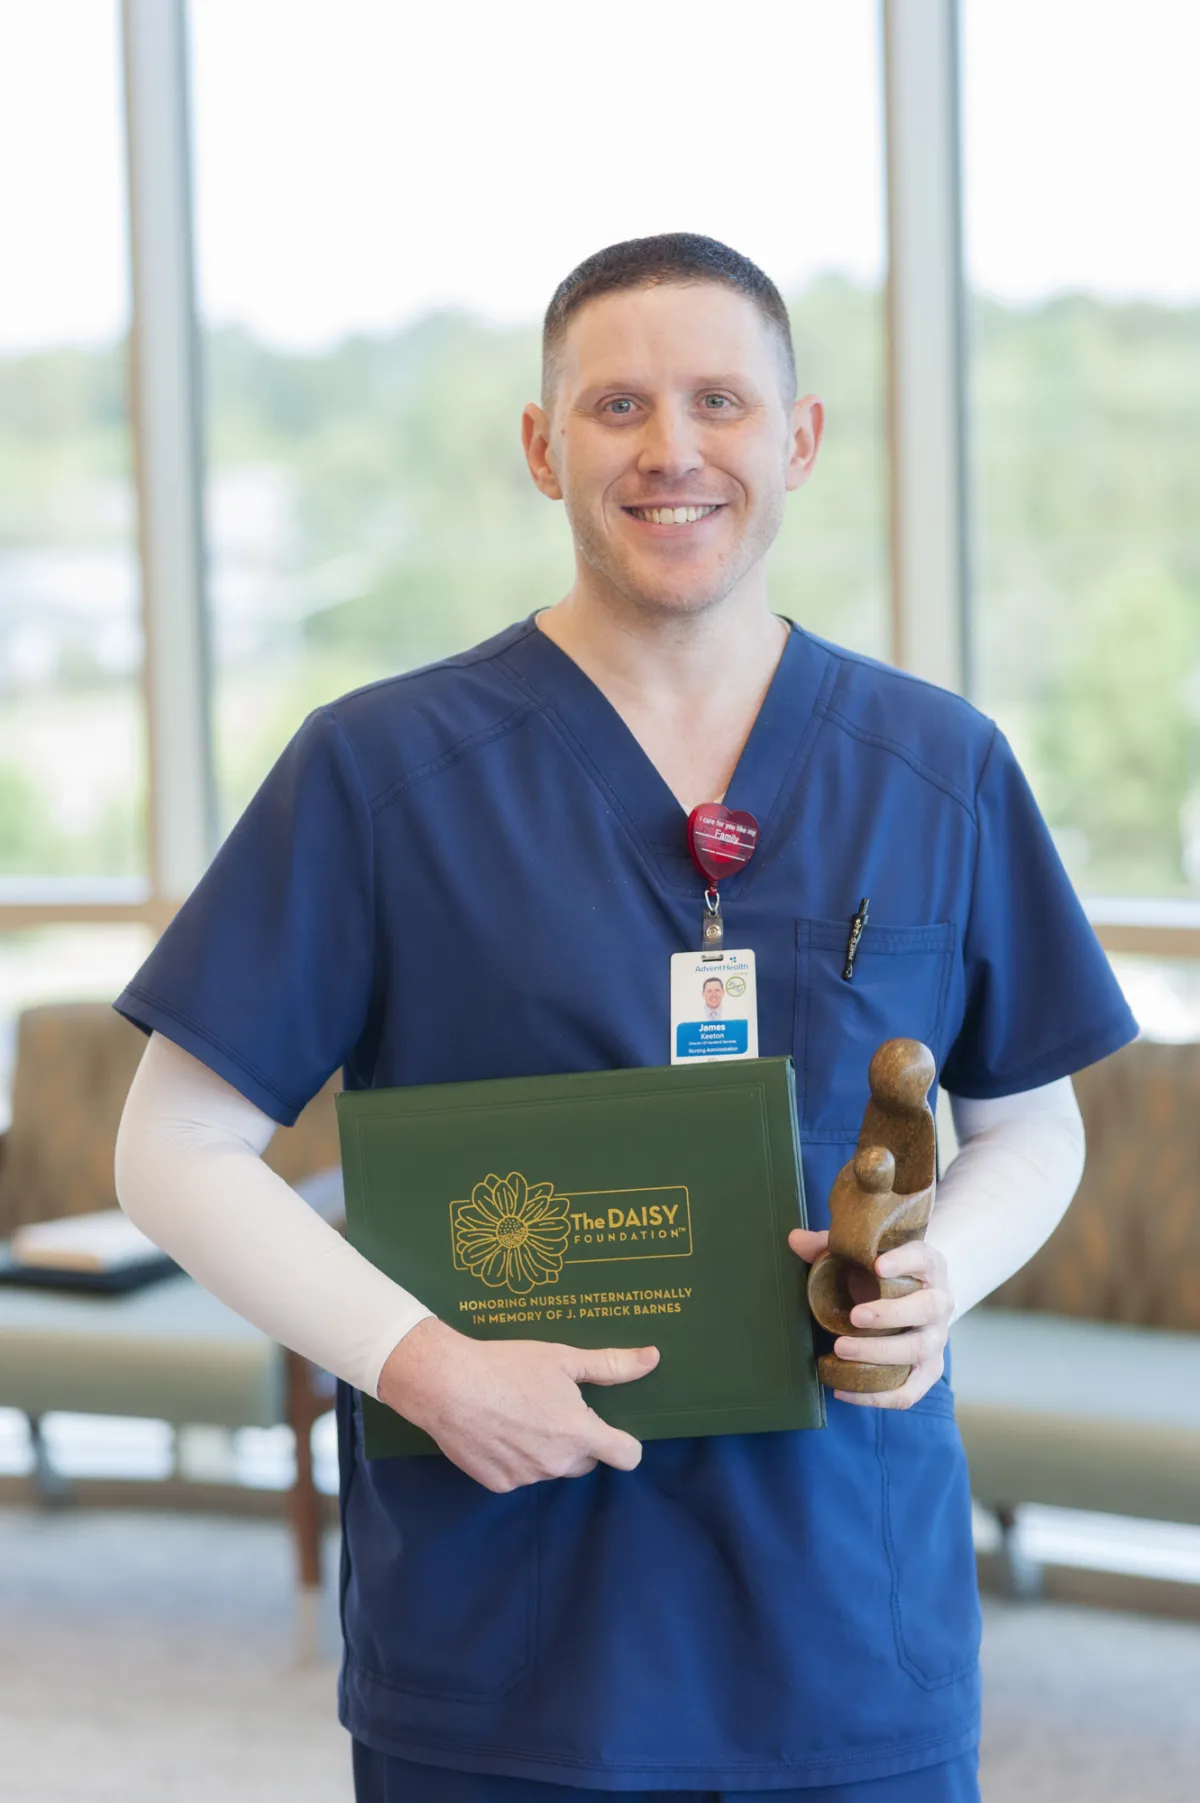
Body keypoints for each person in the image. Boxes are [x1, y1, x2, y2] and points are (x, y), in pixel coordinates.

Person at [114, 233, 1137, 1802]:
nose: (673, 450)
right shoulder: (381, 774)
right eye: (616, 407)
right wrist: (418, 1361)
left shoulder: (940, 766)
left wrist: (946, 1280)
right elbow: (172, 1144)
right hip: (507, 1635)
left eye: (721, 401)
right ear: (542, 446)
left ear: (796, 439)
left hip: (841, 1618)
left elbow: (1031, 1122)